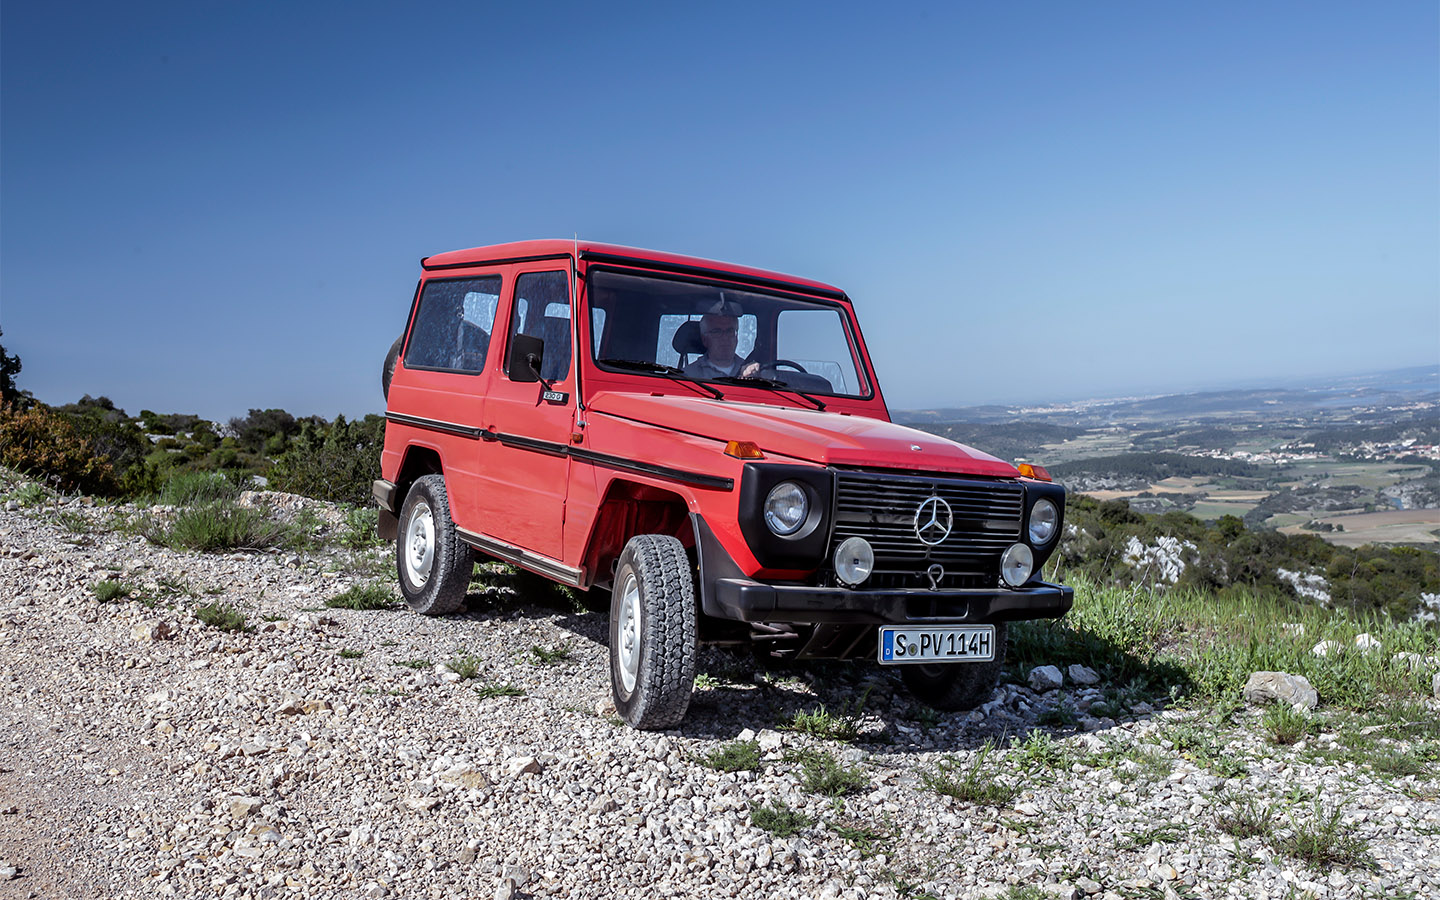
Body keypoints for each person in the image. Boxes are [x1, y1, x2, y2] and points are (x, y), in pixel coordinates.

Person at [682, 312, 761, 379]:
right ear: (704, 340)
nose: (725, 338)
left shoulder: (751, 372)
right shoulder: (687, 376)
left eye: (729, 331)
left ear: (736, 337)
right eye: (717, 332)